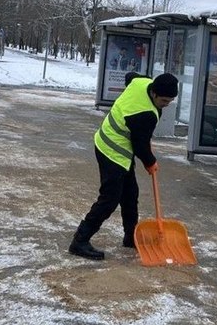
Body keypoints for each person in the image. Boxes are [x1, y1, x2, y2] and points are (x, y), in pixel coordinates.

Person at [69, 73, 179, 260]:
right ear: (153, 93)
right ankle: (80, 240)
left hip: (113, 143)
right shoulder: (145, 115)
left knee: (130, 194)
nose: (166, 104)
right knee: (110, 198)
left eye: (170, 101)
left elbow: (130, 77)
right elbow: (140, 146)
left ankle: (131, 237)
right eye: (163, 101)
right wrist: (150, 162)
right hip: (112, 150)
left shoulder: (141, 81)